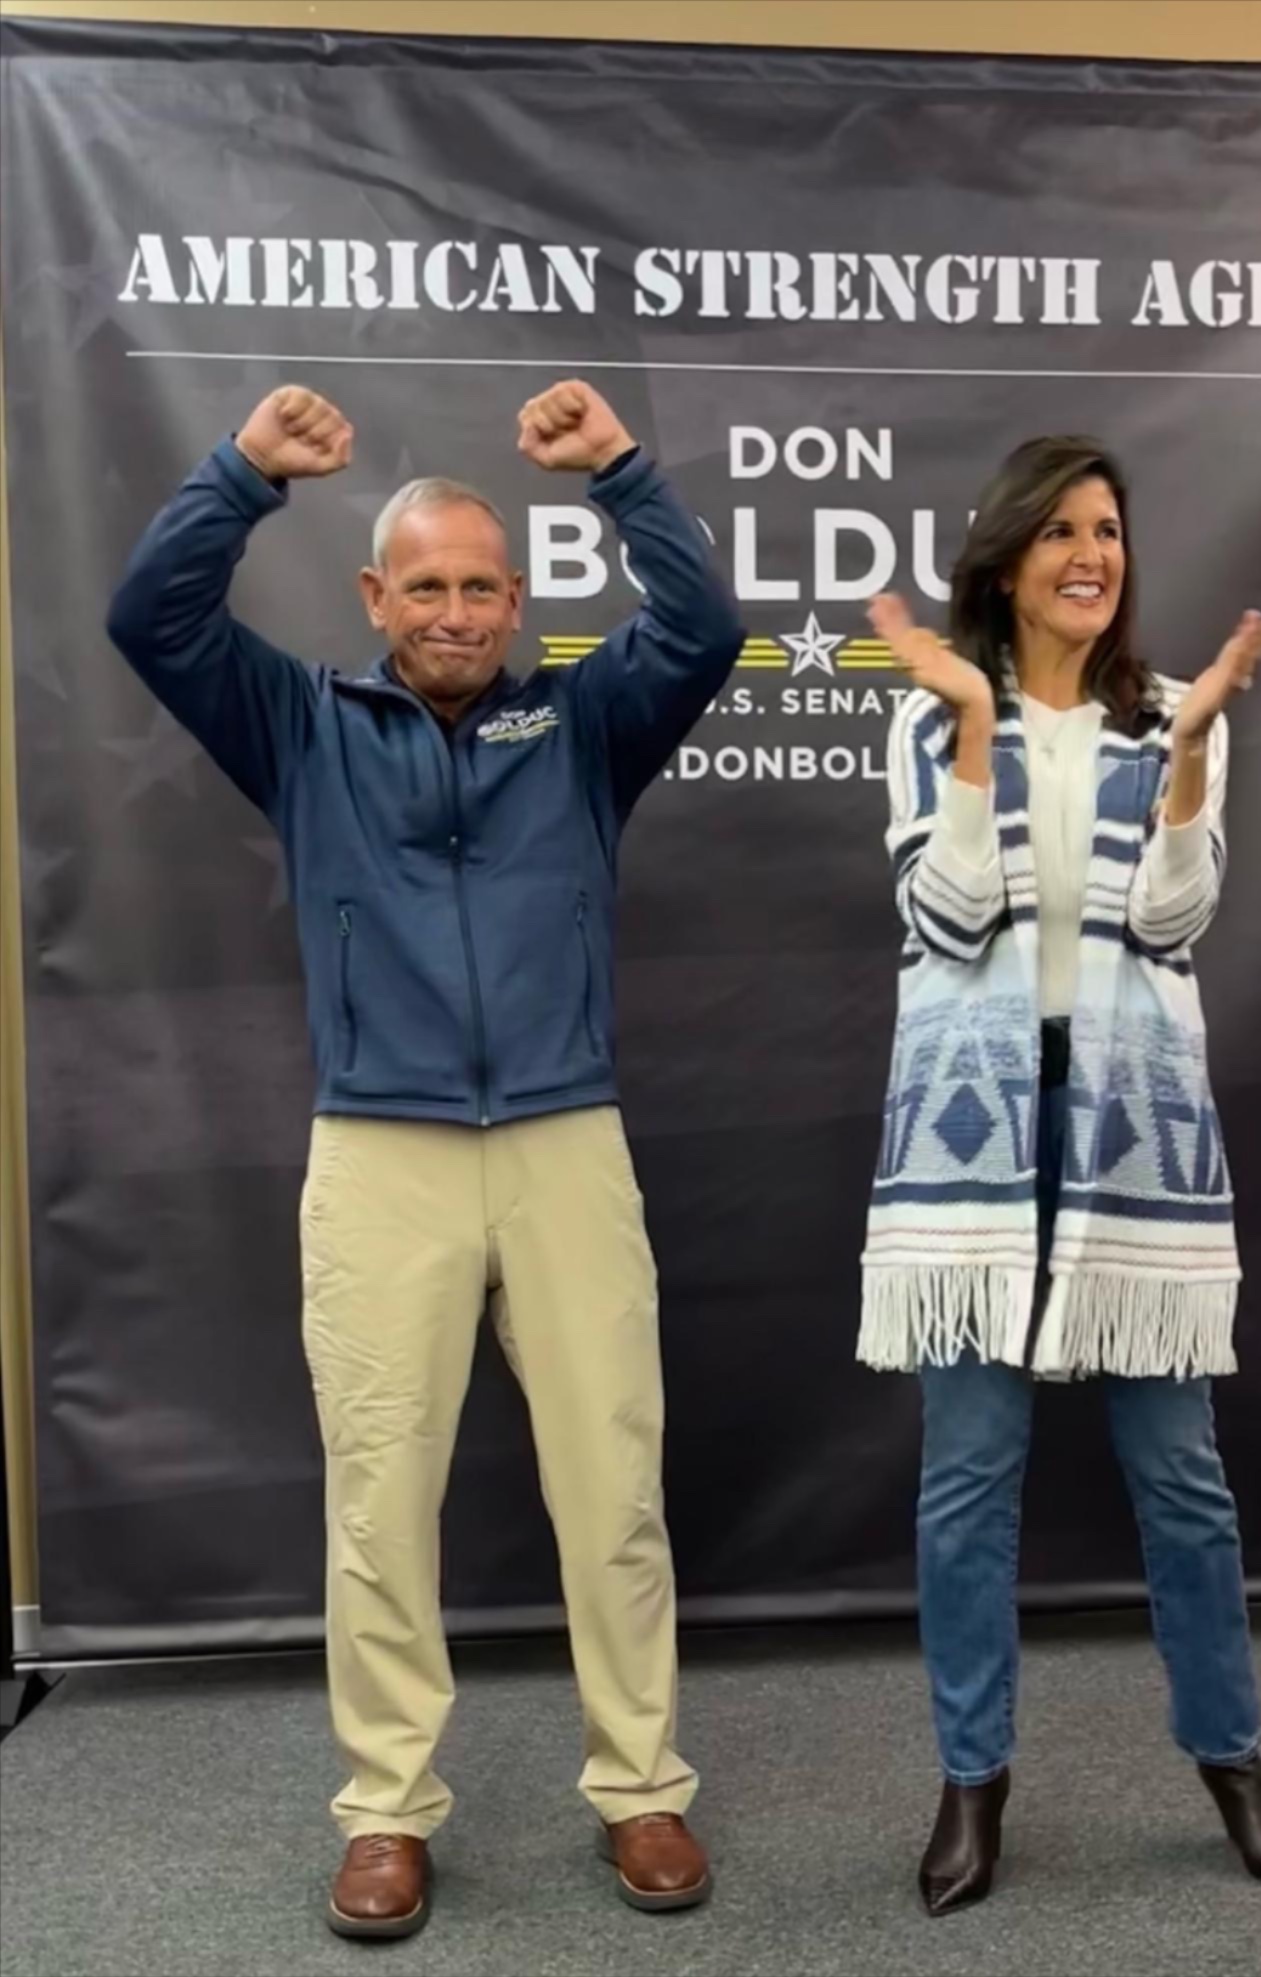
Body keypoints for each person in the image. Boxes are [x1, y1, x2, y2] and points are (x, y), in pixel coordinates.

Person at [107, 380, 744, 1938]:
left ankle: (644, 1785)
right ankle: (388, 1810)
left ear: (516, 600)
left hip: (563, 1138)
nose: (454, 610)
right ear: (374, 595)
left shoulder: (585, 720)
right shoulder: (302, 721)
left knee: (614, 1488)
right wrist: (246, 471)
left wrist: (619, 473)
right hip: (379, 1152)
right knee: (381, 1500)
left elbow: (711, 627)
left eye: (480, 585)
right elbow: (151, 612)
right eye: (427, 585)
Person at [857, 434, 1261, 1915]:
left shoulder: (1178, 712)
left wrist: (1185, 770)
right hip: (977, 1136)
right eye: (1061, 528)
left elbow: (1176, 928)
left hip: (1132, 1139)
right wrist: (979, 730)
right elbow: (948, 919)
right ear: (1004, 556)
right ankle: (972, 1781)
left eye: (1108, 528)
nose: (1091, 552)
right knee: (967, 1482)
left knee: (1181, 1477)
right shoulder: (937, 720)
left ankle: (1233, 1759)